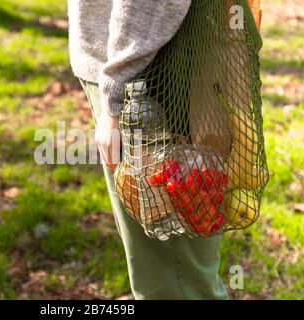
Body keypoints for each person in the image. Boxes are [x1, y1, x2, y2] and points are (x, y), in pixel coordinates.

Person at [68, 0, 229, 300]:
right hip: (142, 56)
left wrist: (115, 91)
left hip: (153, 66)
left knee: (173, 282)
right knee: (171, 269)